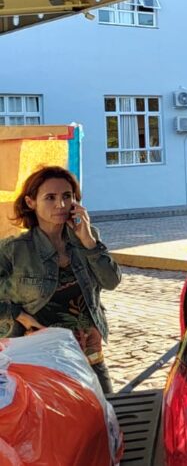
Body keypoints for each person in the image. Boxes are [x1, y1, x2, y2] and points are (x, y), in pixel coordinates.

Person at [0, 166, 122, 393]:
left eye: (67, 196)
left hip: (90, 356)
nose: (61, 205)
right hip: (40, 360)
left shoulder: (86, 237)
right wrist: (16, 315)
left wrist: (88, 242)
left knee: (106, 417)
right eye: (50, 197)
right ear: (30, 202)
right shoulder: (14, 250)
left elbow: (111, 281)